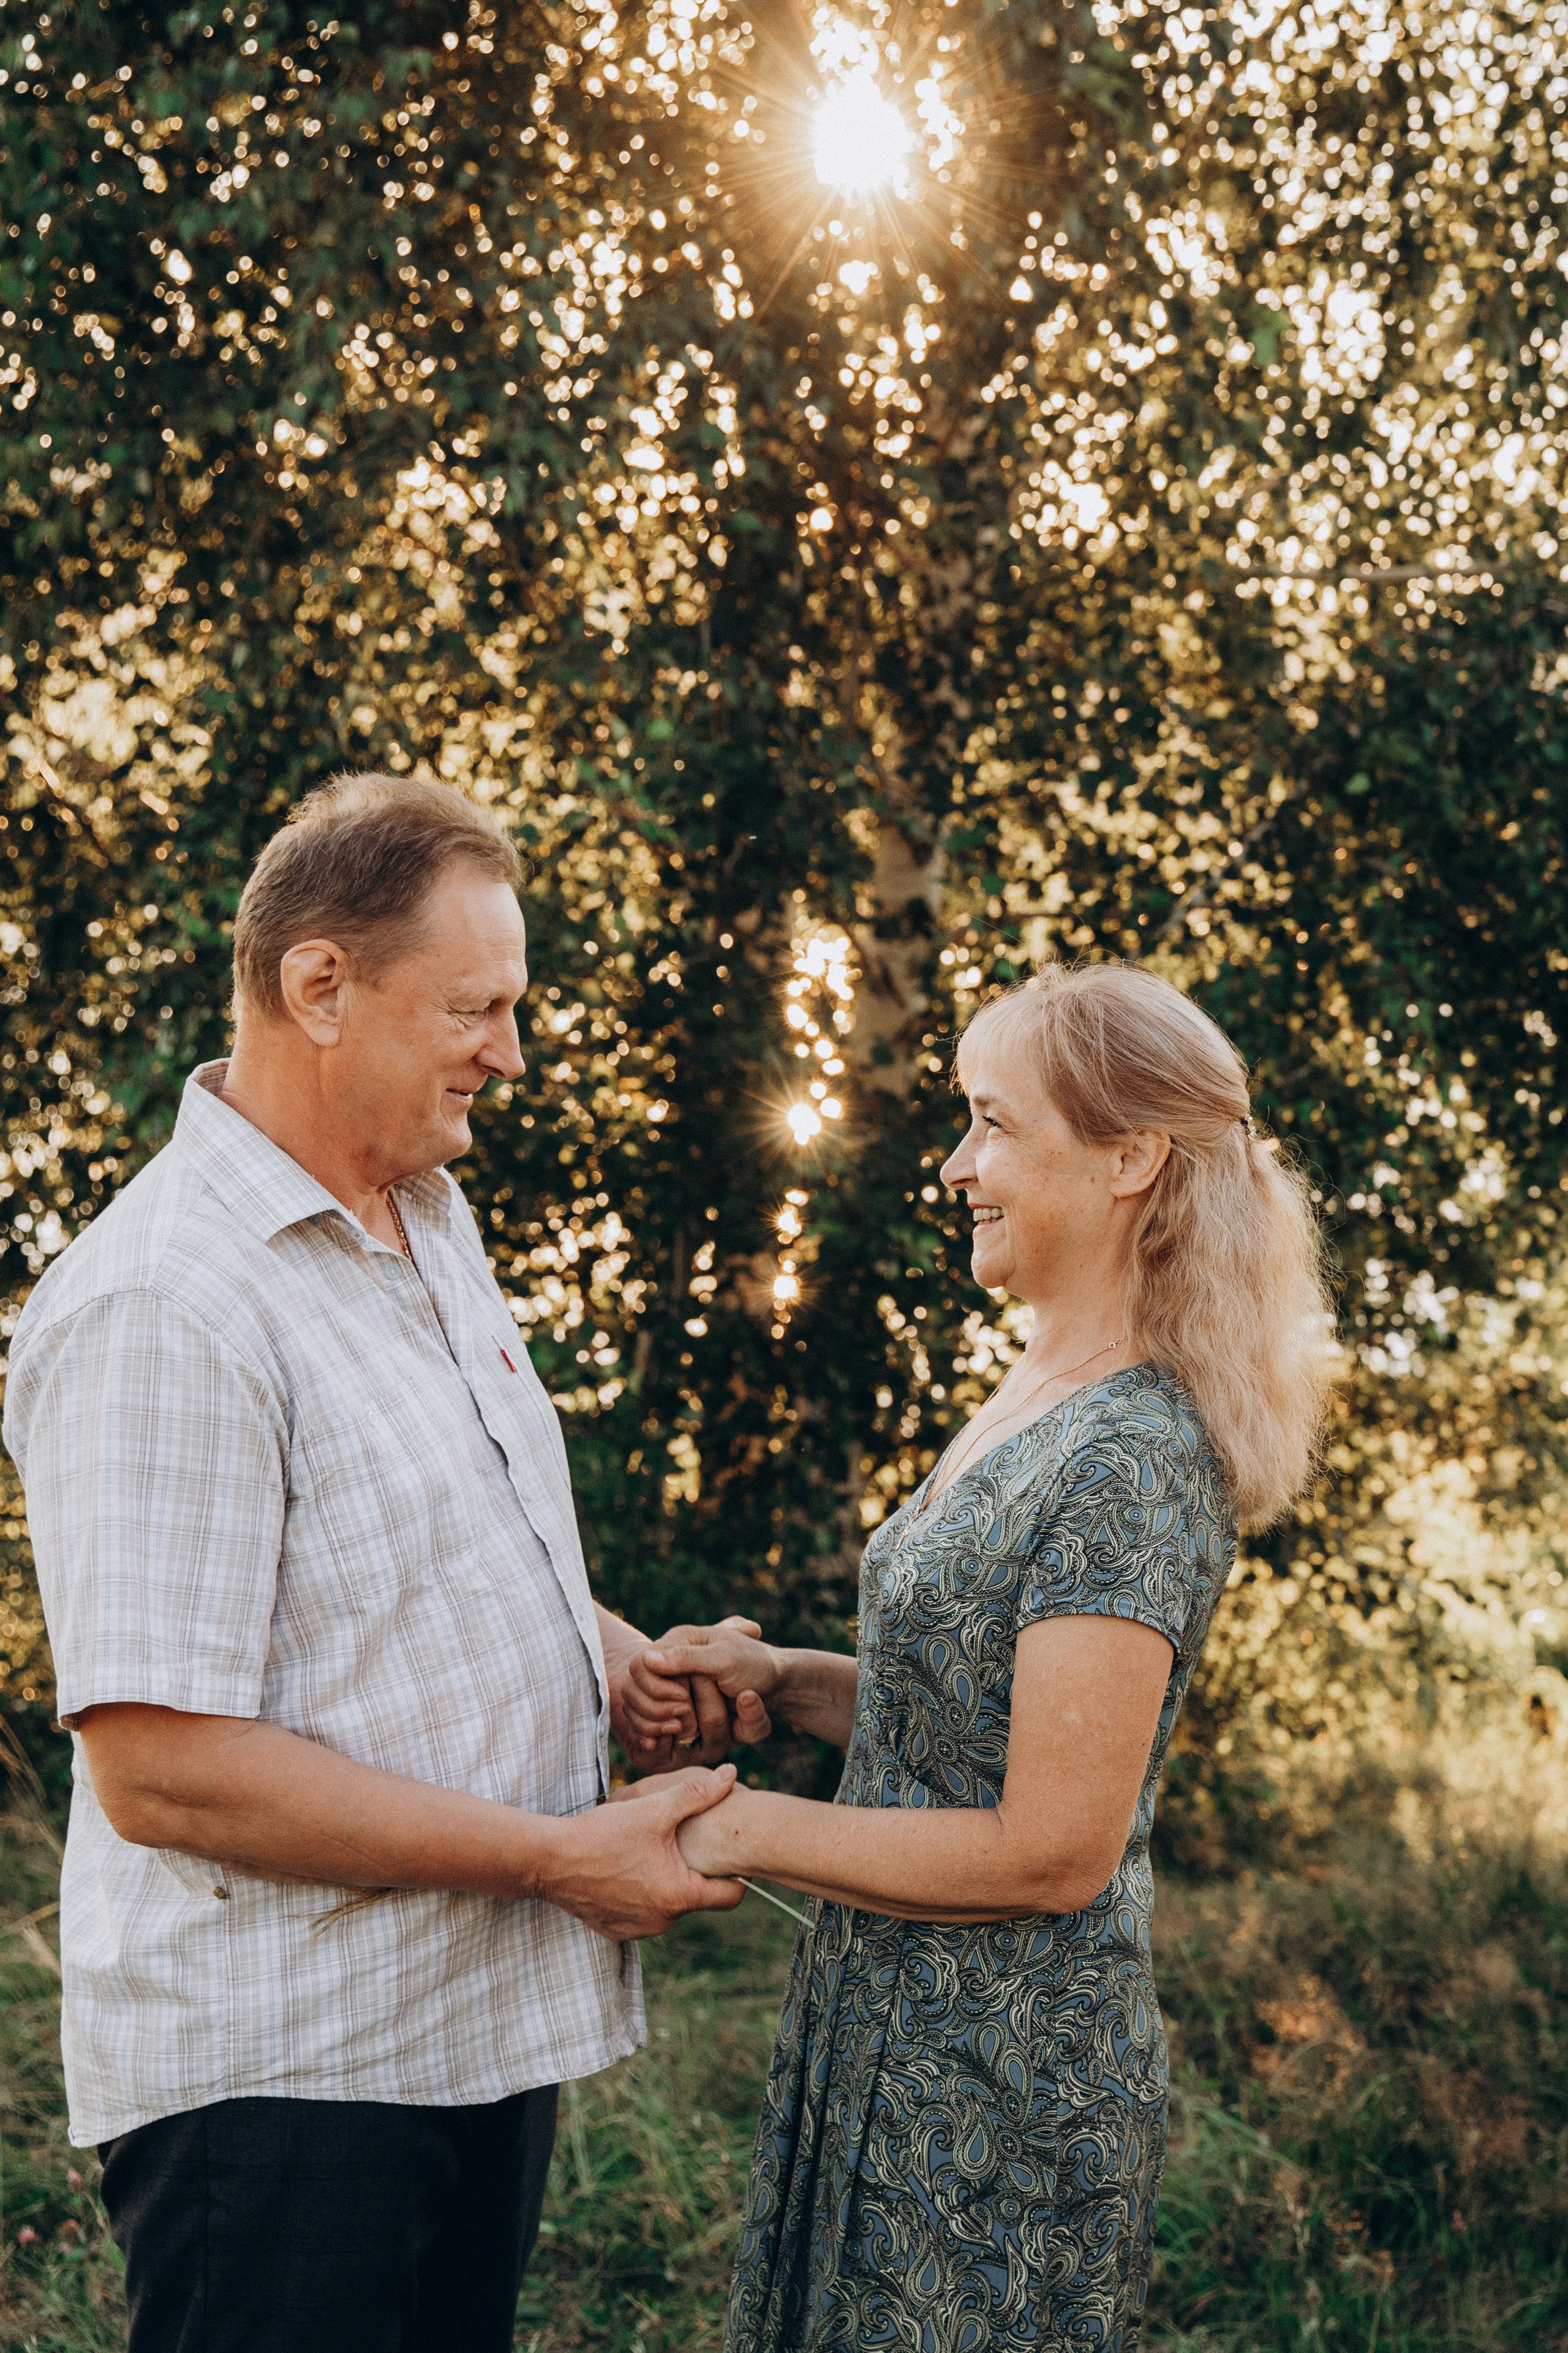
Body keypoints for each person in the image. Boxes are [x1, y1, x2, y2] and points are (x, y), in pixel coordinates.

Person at [2, 772, 745, 2353]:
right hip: (287, 2088)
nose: (511, 1053)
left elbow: (432, 1539)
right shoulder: (166, 1303)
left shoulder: (427, 1215)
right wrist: (560, 1859)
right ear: (318, 985)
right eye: (476, 1007)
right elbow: (168, 1772)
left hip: (457, 2036)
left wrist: (604, 1654)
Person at [623, 960, 1331, 2353]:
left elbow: (1050, 1848)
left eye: (993, 1125)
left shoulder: (1129, 1453)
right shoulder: (1034, 1389)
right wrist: (787, 1689)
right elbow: (956, 1706)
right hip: (885, 2015)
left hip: (994, 2085)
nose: (955, 1166)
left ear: (1128, 1156)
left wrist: (736, 1827)